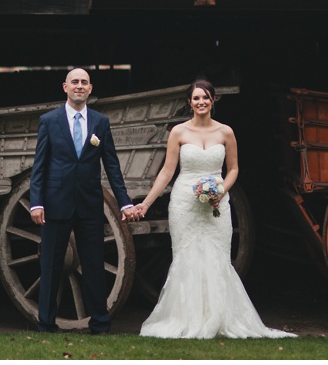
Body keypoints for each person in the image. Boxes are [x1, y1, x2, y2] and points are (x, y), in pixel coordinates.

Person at [133, 79, 296, 339]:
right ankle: (186, 317)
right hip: (185, 202)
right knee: (186, 257)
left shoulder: (225, 132)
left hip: (217, 203)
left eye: (206, 98)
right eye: (196, 98)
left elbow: (233, 169)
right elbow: (167, 171)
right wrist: (146, 202)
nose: (201, 102)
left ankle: (218, 316)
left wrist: (221, 191)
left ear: (213, 100)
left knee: (218, 256)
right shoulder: (178, 132)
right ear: (189, 102)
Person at [29, 67, 138, 334]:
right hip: (56, 203)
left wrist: (124, 202)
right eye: (74, 82)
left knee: (93, 264)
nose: (79, 86)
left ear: (90, 89)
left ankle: (99, 323)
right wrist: (36, 202)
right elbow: (39, 166)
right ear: (64, 87)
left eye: (84, 82)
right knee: (51, 265)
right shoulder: (49, 121)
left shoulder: (100, 122)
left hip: (89, 204)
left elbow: (111, 165)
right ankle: (46, 323)